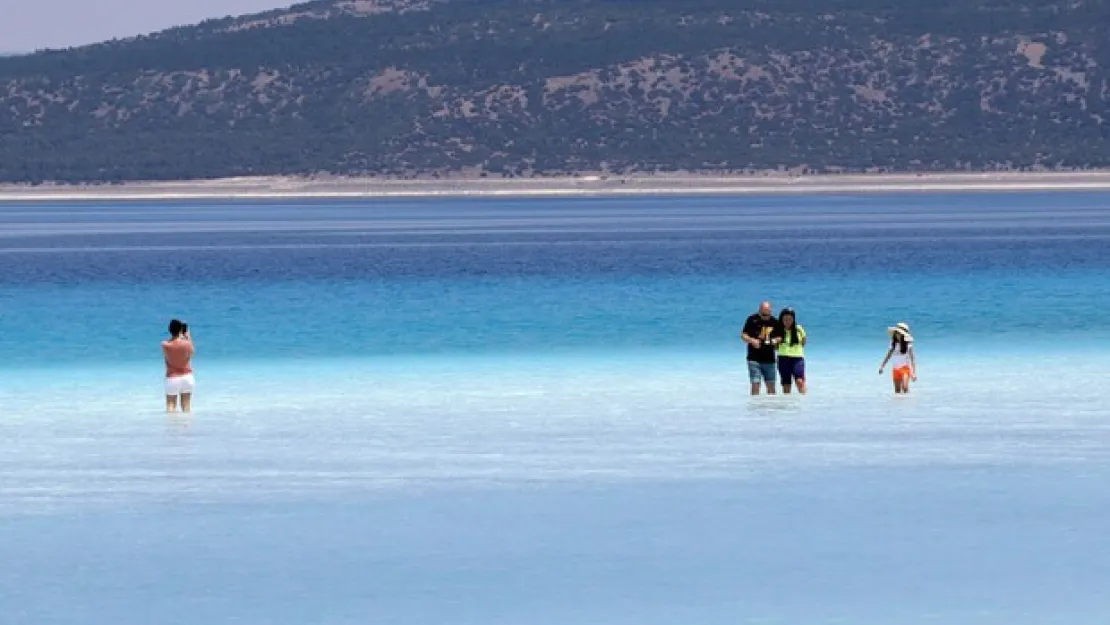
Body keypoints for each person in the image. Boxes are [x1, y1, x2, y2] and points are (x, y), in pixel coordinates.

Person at [741, 300, 782, 395]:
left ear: (771, 311)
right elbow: (743, 335)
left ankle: (771, 408)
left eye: (767, 315)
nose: (765, 317)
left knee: (771, 386)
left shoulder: (775, 322)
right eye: (763, 315)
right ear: (759, 311)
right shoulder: (752, 320)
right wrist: (752, 340)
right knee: (755, 384)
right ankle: (755, 407)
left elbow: (780, 337)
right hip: (754, 358)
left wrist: (775, 341)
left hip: (769, 359)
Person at [162, 319, 195, 413]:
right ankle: (186, 426)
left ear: (169, 330)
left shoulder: (165, 345)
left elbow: (168, 356)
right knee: (186, 406)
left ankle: (171, 427)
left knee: (171, 405)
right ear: (181, 330)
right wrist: (187, 336)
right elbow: (191, 352)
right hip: (187, 377)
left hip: (172, 378)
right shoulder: (187, 344)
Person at [878, 322, 916, 394]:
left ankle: (908, 403)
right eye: (897, 333)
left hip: (905, 369)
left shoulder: (908, 345)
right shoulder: (893, 343)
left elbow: (913, 359)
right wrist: (882, 366)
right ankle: (899, 405)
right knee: (897, 391)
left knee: (905, 388)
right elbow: (888, 355)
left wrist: (914, 373)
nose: (898, 335)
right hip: (895, 369)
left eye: (899, 333)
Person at [776, 307, 807, 394]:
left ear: (793, 319)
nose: (787, 322)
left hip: (797, 358)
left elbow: (804, 341)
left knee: (799, 381)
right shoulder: (778, 329)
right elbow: (774, 345)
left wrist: (796, 350)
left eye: (790, 319)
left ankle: (805, 400)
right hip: (783, 358)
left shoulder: (799, 328)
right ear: (781, 319)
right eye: (785, 319)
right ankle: (788, 405)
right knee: (786, 383)